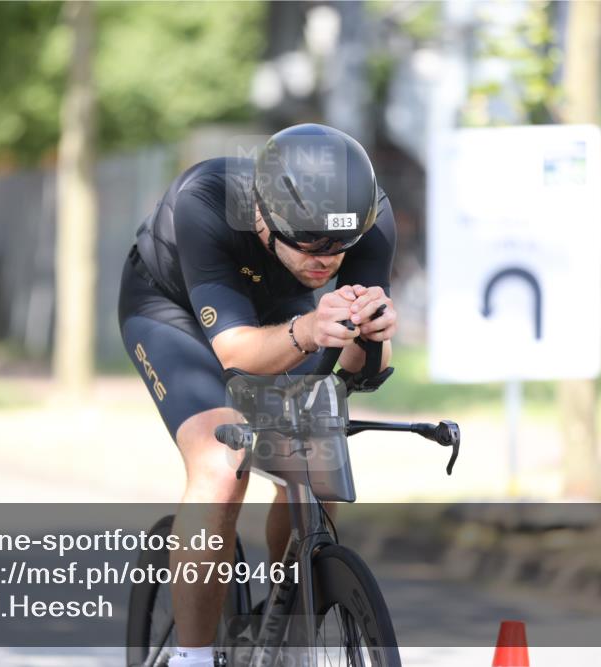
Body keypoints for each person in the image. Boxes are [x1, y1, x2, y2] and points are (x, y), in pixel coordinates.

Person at [118, 124, 397, 667]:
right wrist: (313, 330)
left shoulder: (369, 222)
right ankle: (191, 658)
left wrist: (375, 337)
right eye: (308, 242)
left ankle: (289, 625)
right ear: (261, 219)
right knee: (223, 463)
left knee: (320, 462)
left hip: (288, 318)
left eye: (339, 246)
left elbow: (360, 374)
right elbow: (237, 354)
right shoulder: (207, 201)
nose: (326, 259)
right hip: (175, 313)